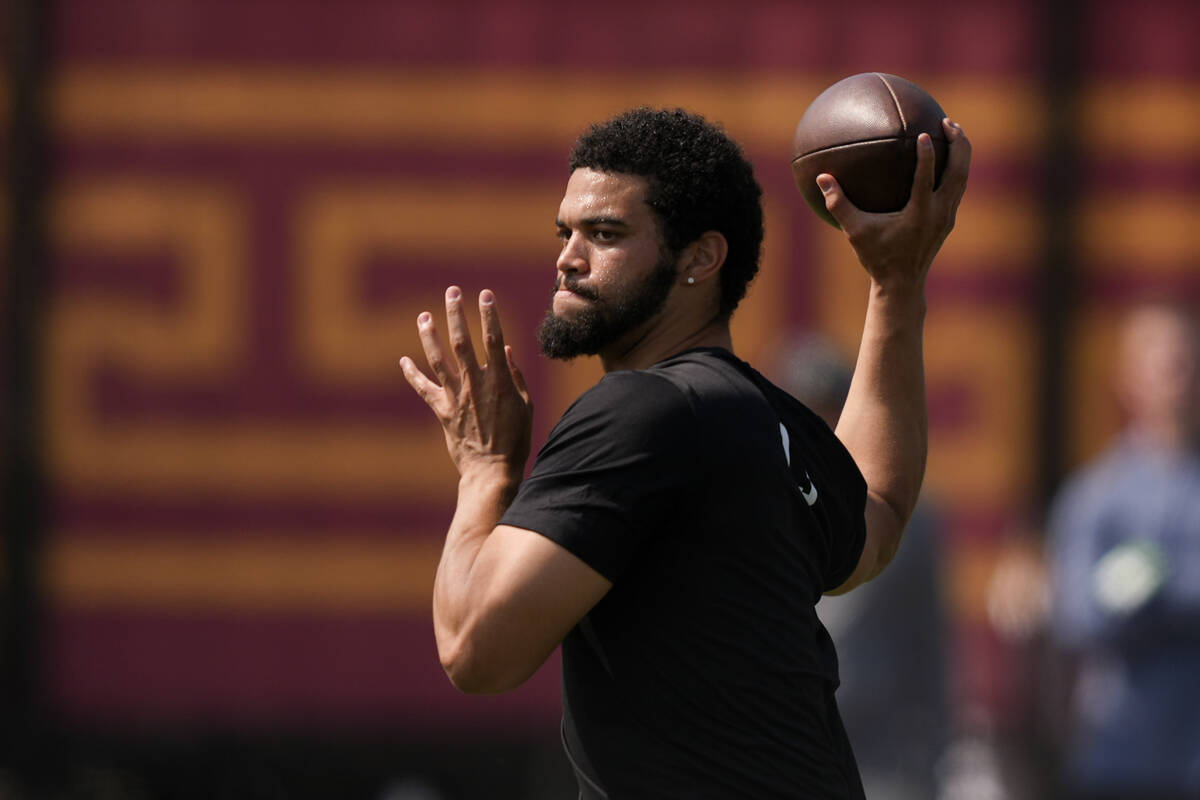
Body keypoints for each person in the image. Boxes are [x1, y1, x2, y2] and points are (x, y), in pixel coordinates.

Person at [400, 107, 970, 798]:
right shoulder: (763, 417)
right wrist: (896, 284)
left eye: (605, 234)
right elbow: (876, 519)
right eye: (567, 231)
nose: (568, 258)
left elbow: (476, 651)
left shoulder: (641, 410)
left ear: (701, 257)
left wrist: (486, 474)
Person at [772, 335, 949, 800]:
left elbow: (927, 637)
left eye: (828, 410)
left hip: (880, 749)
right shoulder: (748, 504)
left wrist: (933, 745)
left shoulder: (897, 511)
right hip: (777, 745)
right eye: (800, 411)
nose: (816, 425)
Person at [1045, 299, 1200, 799]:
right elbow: (1080, 614)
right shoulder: (1097, 497)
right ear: (1128, 380)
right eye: (1165, 365)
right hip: (1126, 755)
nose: (1179, 379)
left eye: (1187, 364)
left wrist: (1153, 585)